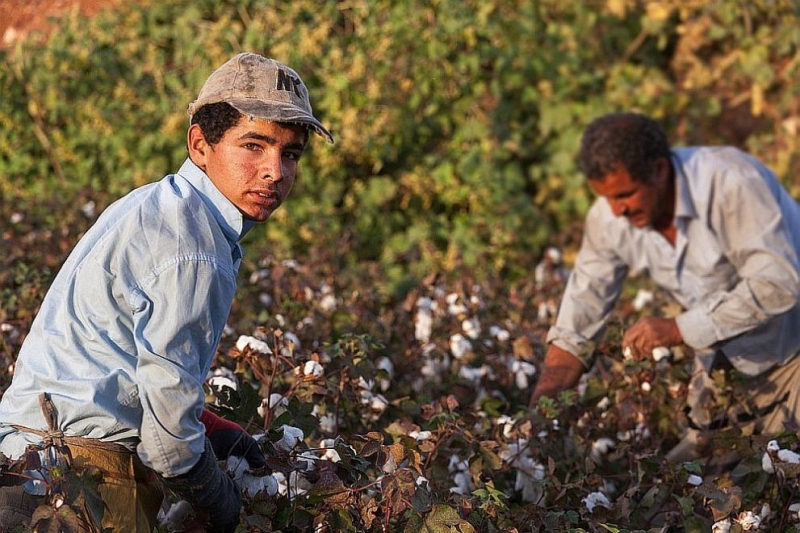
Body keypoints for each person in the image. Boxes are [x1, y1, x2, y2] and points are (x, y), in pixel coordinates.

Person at [0, 52, 333, 532]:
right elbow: (169, 447)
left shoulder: (158, 206)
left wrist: (208, 424)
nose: (274, 171)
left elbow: (120, 357)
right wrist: (220, 503)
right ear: (200, 144)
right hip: (84, 480)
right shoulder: (196, 251)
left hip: (27, 463)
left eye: (291, 153)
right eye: (254, 146)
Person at [530, 112, 800, 466]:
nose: (618, 209)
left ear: (659, 170)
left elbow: (778, 282)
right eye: (607, 197)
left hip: (794, 349)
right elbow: (575, 329)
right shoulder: (609, 218)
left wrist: (677, 329)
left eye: (625, 194)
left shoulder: (730, 182)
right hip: (730, 367)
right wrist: (534, 427)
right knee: (683, 492)